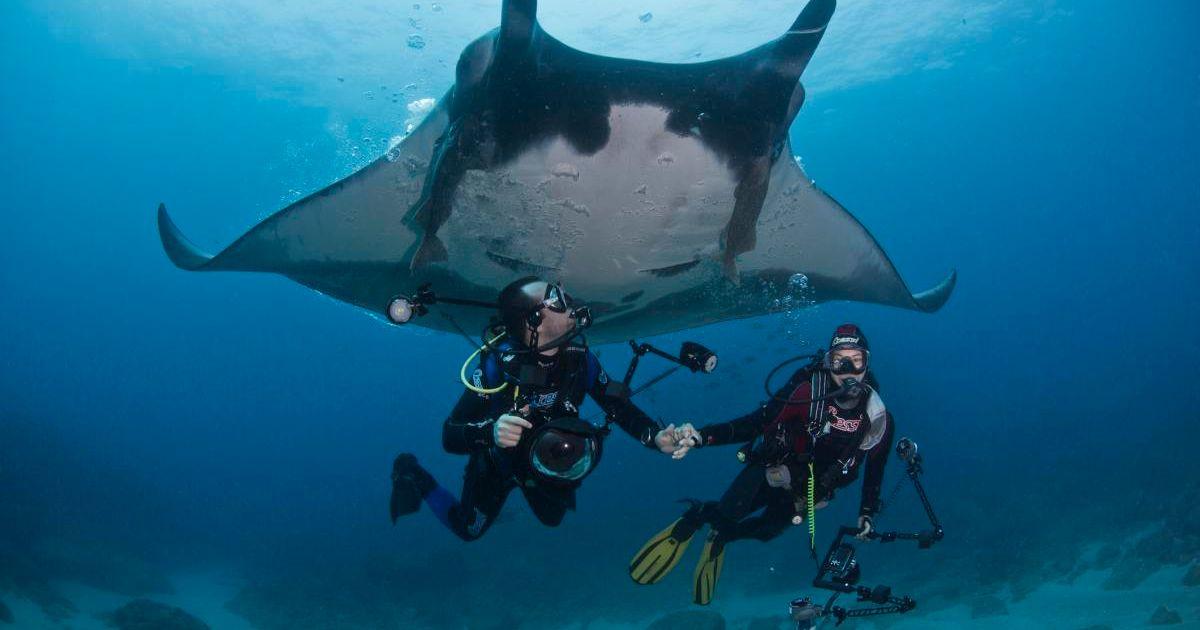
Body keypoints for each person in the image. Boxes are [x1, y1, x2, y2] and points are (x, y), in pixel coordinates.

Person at [390, 276, 689, 541]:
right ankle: (412, 473)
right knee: (470, 529)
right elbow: (449, 434)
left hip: (552, 456)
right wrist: (491, 433)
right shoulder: (500, 365)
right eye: (557, 299)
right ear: (534, 319)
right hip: (499, 464)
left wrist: (654, 436)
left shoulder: (580, 358)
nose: (568, 300)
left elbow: (617, 404)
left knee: (552, 519)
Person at [628, 324, 894, 605]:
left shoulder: (876, 417)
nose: (849, 370)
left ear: (867, 363)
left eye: (857, 360)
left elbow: (876, 467)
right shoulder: (807, 391)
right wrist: (702, 437)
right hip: (772, 471)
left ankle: (722, 538)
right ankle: (700, 515)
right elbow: (757, 423)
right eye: (839, 361)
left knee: (766, 532)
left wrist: (867, 512)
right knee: (728, 513)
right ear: (828, 364)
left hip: (809, 490)